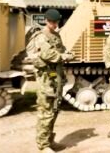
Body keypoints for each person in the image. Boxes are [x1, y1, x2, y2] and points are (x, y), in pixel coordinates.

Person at [32, 8, 74, 153]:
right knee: (46, 112)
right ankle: (43, 145)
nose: (54, 24)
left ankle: (49, 140)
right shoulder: (41, 36)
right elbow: (48, 54)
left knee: (54, 110)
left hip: (56, 77)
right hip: (46, 79)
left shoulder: (56, 35)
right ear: (46, 20)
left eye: (56, 22)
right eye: (51, 22)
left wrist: (67, 53)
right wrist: (63, 56)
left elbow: (61, 50)